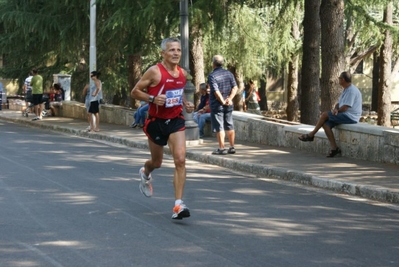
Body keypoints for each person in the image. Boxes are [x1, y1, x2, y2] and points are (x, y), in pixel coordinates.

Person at [130, 37, 194, 220]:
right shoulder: (154, 72)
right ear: (163, 53)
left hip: (175, 121)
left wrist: (186, 103)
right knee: (156, 162)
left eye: (178, 50)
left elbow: (178, 93)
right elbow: (135, 91)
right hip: (156, 122)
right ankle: (145, 172)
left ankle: (178, 205)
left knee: (180, 160)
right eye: (172, 50)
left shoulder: (182, 73)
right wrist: (152, 99)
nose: (176, 53)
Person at [298, 71, 362, 157]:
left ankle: (311, 135)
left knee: (324, 114)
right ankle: (335, 149)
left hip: (351, 117)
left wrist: (337, 111)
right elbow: (339, 104)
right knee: (326, 124)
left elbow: (346, 107)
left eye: (339, 78)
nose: (338, 80)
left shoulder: (351, 91)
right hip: (344, 114)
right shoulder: (346, 89)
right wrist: (336, 109)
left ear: (343, 80)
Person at [208, 55, 238, 155]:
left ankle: (221, 148)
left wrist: (222, 101)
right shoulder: (229, 74)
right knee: (229, 124)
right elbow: (235, 87)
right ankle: (232, 147)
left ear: (213, 64)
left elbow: (216, 91)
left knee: (219, 126)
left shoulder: (212, 76)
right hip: (229, 104)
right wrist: (229, 99)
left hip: (217, 105)